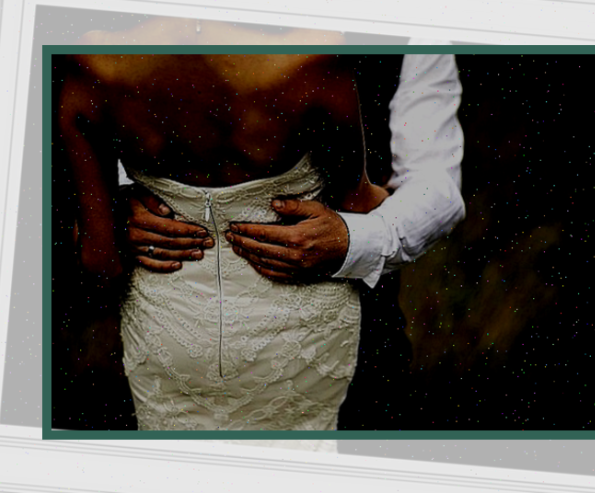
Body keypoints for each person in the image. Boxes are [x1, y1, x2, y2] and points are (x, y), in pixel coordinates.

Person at [61, 17, 391, 453]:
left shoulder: (95, 59)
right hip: (295, 335)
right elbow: (356, 206)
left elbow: (99, 260)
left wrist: (121, 205)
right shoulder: (315, 53)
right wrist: (400, 196)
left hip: (171, 332)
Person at [122, 36, 467, 436]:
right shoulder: (132, 38)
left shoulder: (410, 31)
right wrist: (115, 203)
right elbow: (103, 130)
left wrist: (355, 239)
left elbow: (436, 182)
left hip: (350, 337)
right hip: (173, 339)